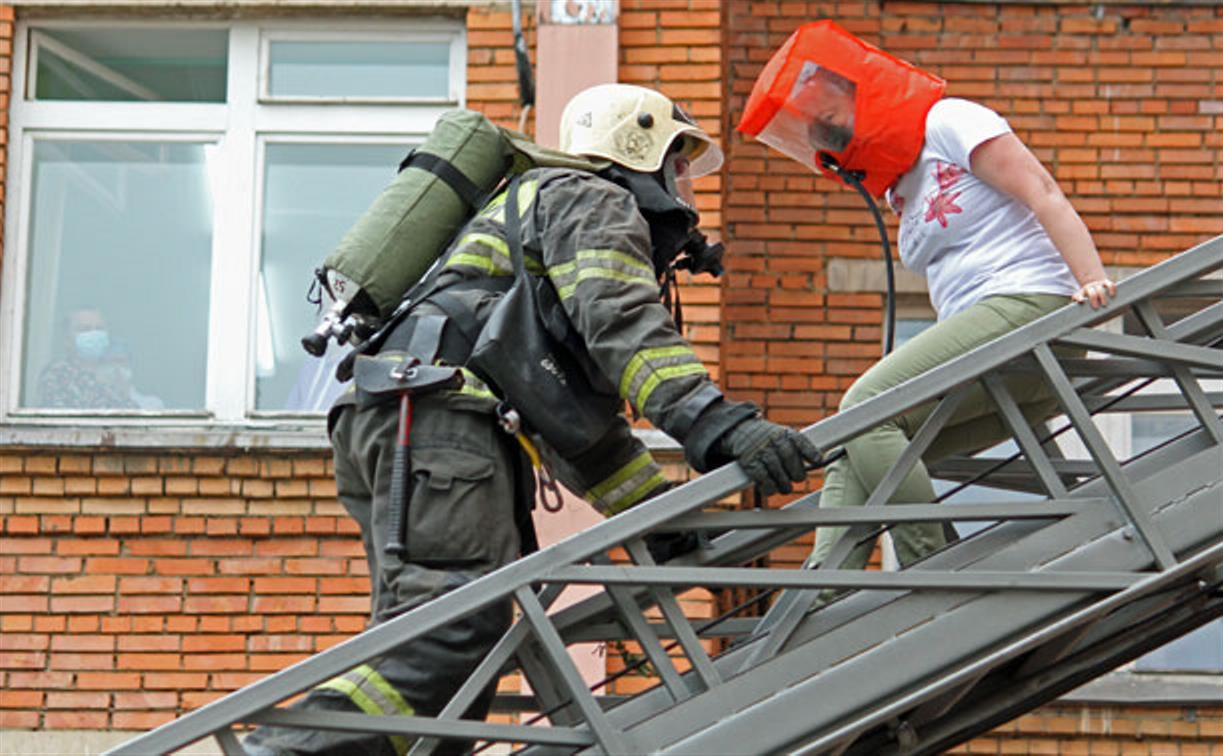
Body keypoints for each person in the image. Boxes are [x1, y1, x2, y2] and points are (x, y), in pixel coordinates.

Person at [242, 83, 818, 756]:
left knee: (450, 654)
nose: (686, 184)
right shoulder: (592, 200)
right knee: (453, 630)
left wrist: (659, 519)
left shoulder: (537, 209)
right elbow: (622, 323)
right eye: (679, 160)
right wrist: (717, 424)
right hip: (437, 429)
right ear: (641, 149)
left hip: (406, 422)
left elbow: (577, 425)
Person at [738, 20, 1116, 575]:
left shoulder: (950, 121)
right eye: (815, 131)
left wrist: (1091, 278)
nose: (827, 137)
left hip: (1029, 311)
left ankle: (929, 566)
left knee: (866, 409)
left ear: (856, 93)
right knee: (854, 445)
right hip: (992, 356)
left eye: (828, 119)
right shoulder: (900, 185)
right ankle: (821, 591)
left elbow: (1043, 191)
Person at [37, 307, 141, 410]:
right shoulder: (58, 374)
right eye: (85, 329)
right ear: (67, 340)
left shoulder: (115, 372)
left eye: (99, 328)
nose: (94, 334)